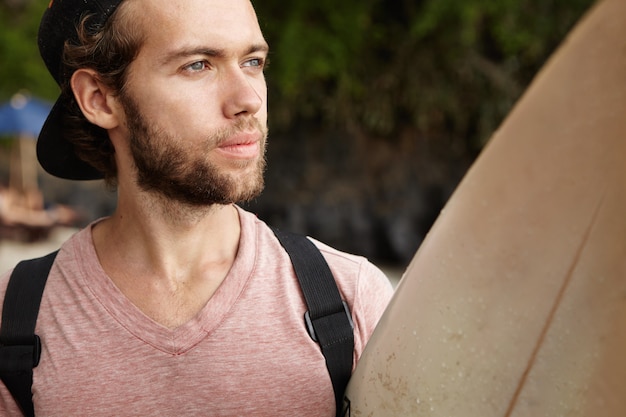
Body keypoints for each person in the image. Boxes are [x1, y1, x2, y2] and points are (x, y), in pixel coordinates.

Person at [0, 0, 394, 415]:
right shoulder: (15, 320)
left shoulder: (349, 300)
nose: (248, 100)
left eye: (253, 61)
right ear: (99, 98)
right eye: (198, 65)